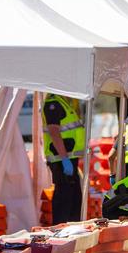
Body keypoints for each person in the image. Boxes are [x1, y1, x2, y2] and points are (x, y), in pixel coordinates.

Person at [41, 93, 85, 223]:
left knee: (74, 199)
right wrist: (65, 159)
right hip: (60, 159)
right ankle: (60, 232)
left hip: (68, 159)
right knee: (64, 199)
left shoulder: (65, 102)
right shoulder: (53, 103)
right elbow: (54, 132)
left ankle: (72, 230)